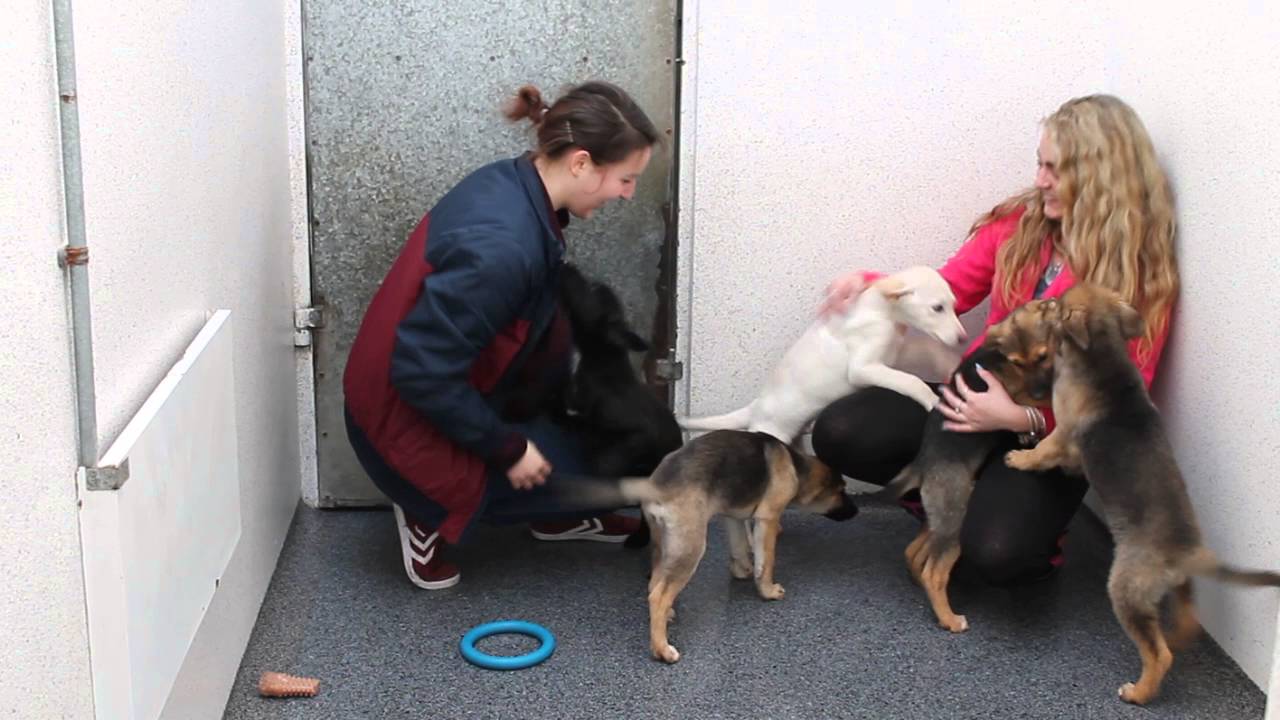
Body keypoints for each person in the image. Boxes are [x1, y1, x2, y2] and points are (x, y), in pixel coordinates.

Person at [812, 94, 1179, 585]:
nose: (1041, 180)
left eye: (1056, 169)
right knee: (840, 431)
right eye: (1039, 164)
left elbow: (1115, 403)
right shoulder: (1019, 225)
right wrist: (872, 284)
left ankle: (1006, 519)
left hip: (1051, 437)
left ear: (1101, 177)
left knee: (999, 554)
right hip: (971, 408)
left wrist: (1023, 418)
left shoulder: (1139, 277)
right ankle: (957, 505)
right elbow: (949, 289)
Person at [343, 81, 661, 590]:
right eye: (625, 179)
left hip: (456, 383)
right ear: (580, 163)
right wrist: (509, 449)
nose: (629, 194)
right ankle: (425, 510)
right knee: (582, 475)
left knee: (608, 446)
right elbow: (420, 373)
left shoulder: (519, 185)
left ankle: (549, 510)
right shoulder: (502, 245)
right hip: (397, 418)